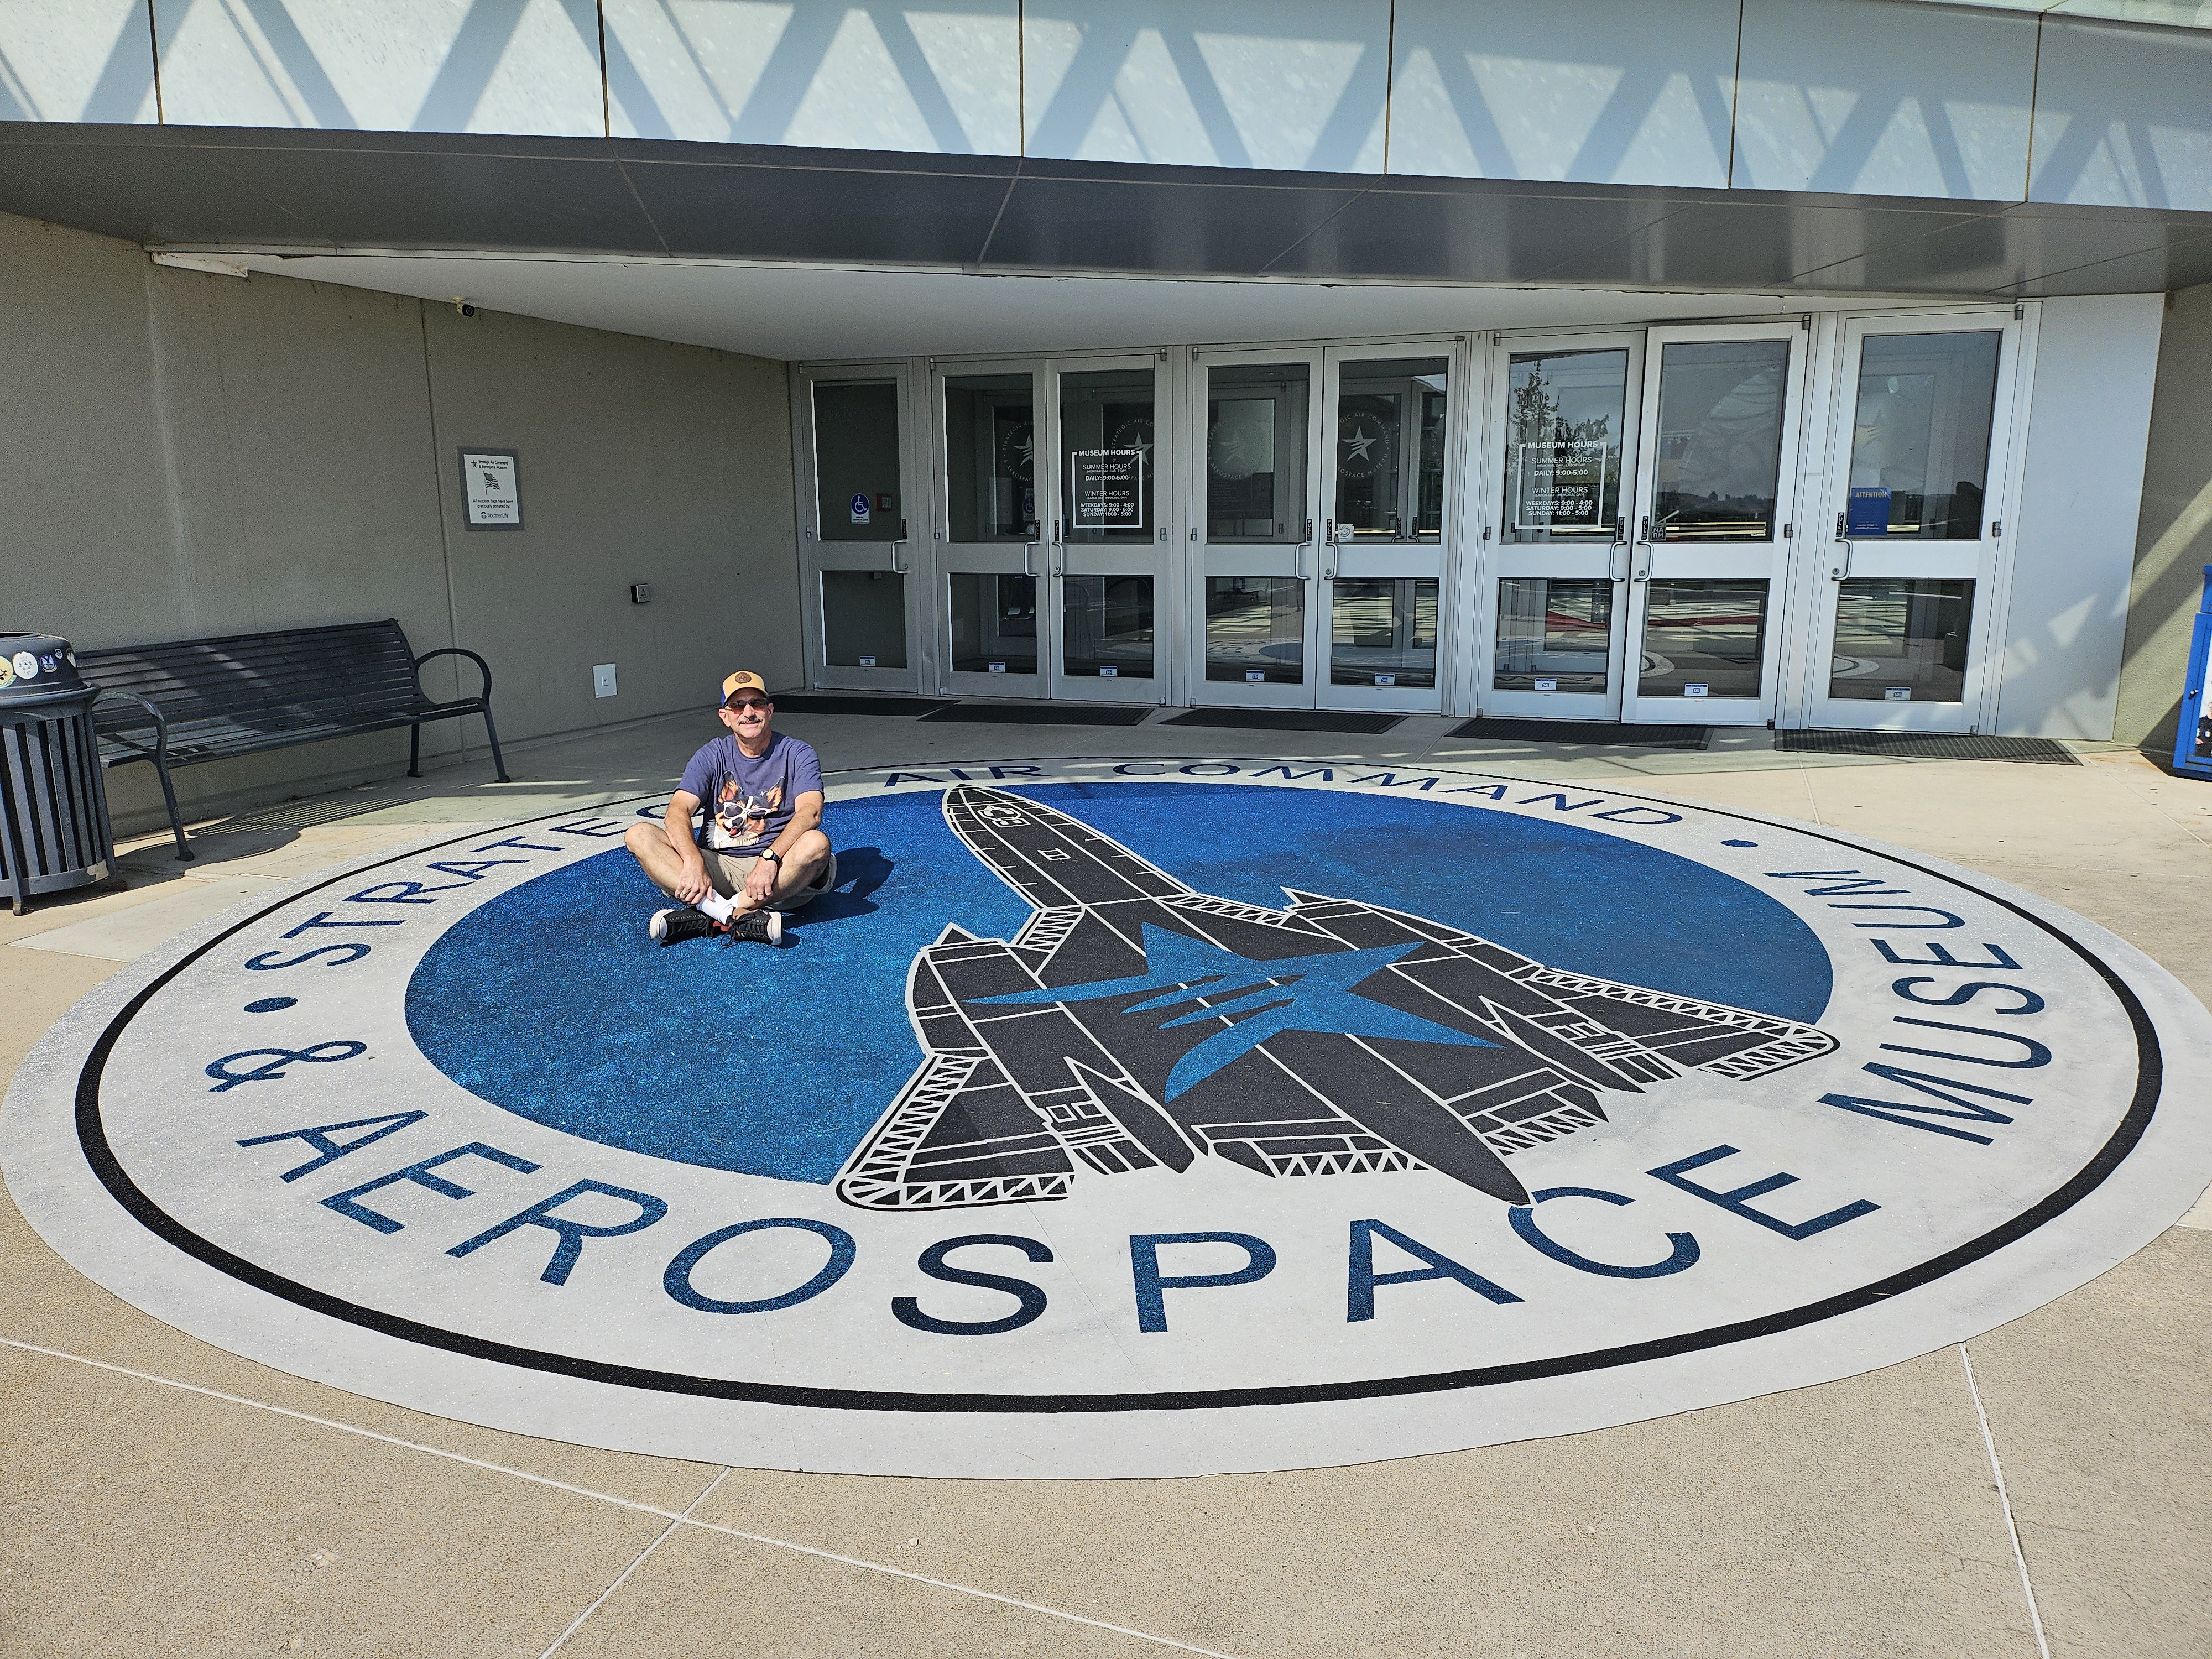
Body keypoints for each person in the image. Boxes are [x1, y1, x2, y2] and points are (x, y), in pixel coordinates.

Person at [624, 671, 836, 946]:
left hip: (778, 872)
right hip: (718, 866)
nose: (748, 712)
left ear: (770, 710)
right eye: (737, 706)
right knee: (639, 835)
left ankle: (709, 913)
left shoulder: (798, 753)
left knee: (816, 844)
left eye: (757, 703)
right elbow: (677, 811)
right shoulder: (711, 755)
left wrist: (770, 858)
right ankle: (734, 916)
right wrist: (693, 861)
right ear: (725, 717)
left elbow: (811, 812)